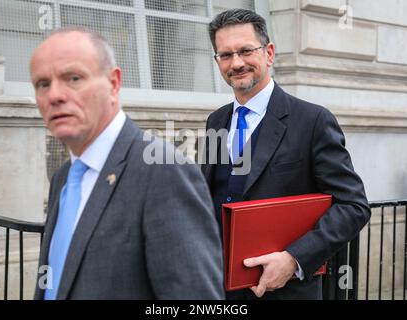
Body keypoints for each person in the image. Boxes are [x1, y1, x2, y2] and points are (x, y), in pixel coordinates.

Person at [30, 27, 224, 300]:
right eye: (42, 84)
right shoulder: (63, 178)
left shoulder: (164, 172)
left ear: (113, 83)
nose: (55, 96)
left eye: (73, 78)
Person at [201, 9, 371, 300]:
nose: (236, 63)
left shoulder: (313, 120)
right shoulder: (215, 122)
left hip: (286, 291)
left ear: (268, 53)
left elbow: (353, 206)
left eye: (245, 51)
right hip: (217, 289)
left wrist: (293, 259)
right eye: (225, 55)